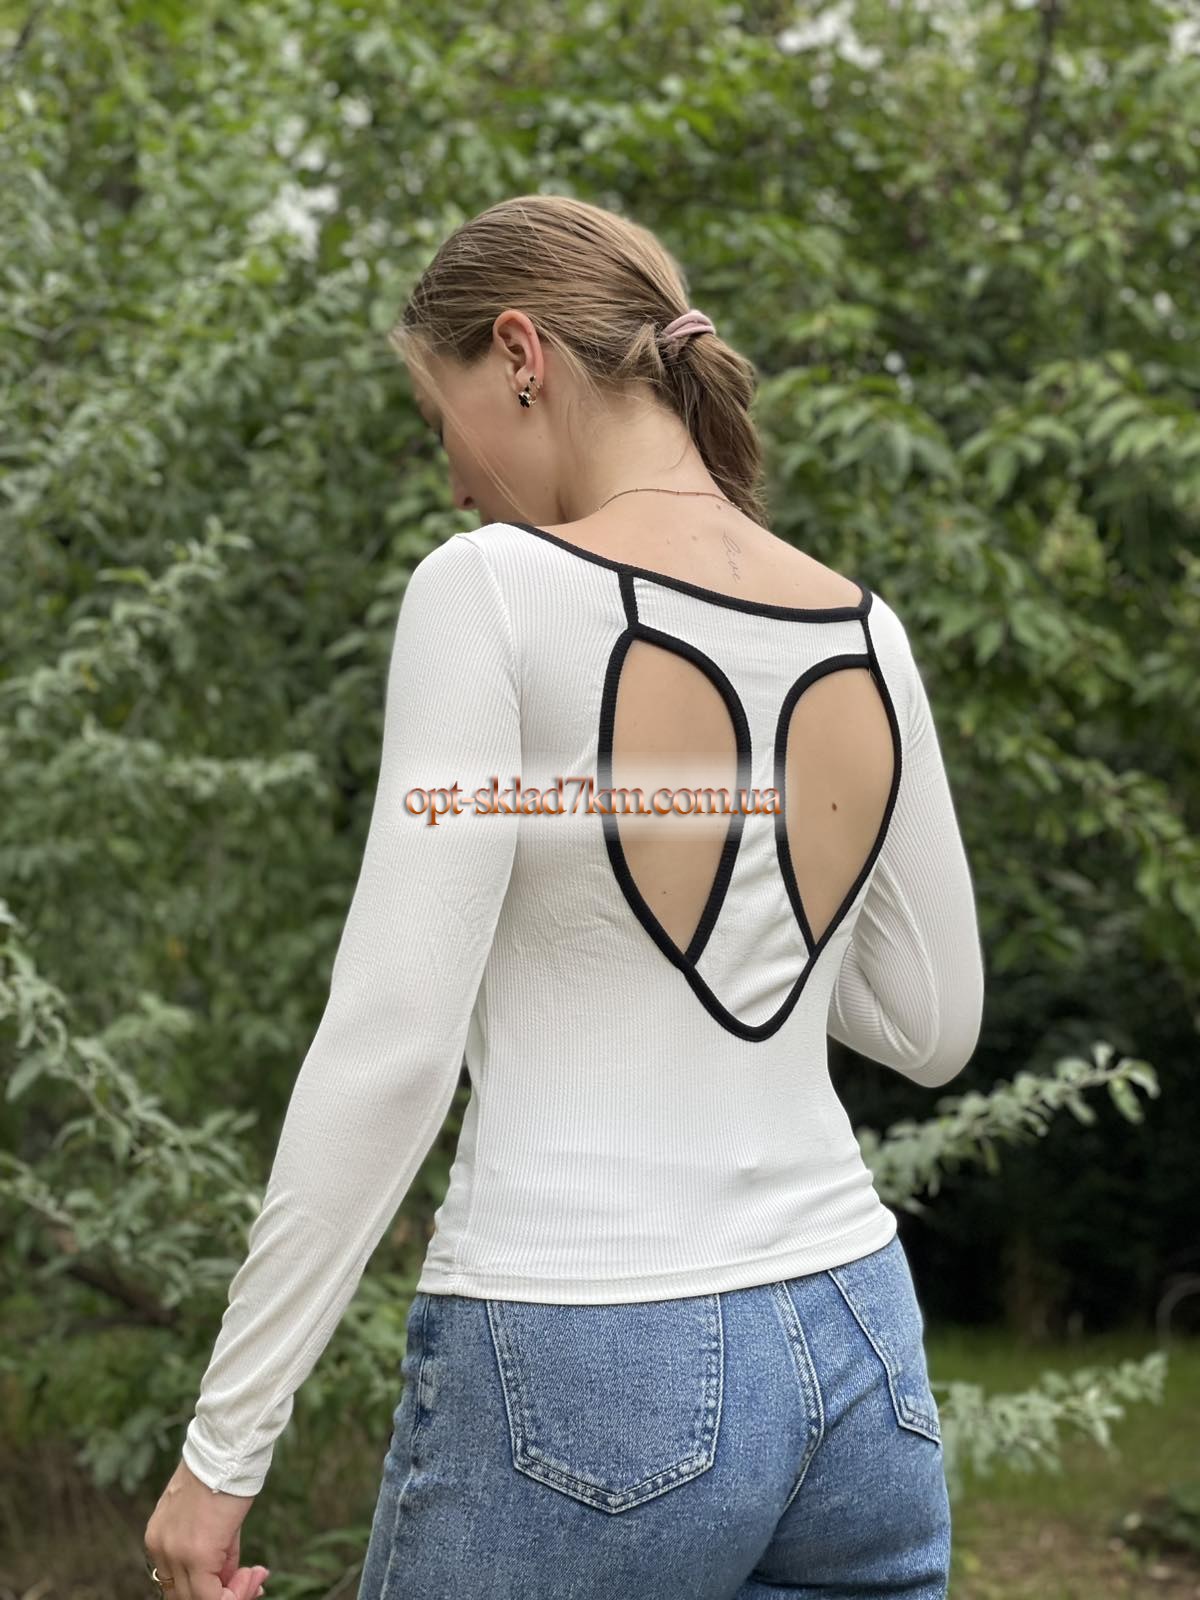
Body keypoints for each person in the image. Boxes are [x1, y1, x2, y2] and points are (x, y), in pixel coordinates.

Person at [145, 194, 984, 1600]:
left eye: (443, 420)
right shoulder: (860, 626)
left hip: (587, 1354)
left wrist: (222, 1452)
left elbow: (393, 1047)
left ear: (520, 354)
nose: (456, 485)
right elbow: (932, 1023)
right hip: (857, 1352)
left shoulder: (491, 591)